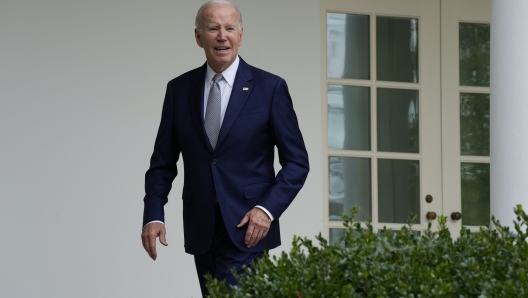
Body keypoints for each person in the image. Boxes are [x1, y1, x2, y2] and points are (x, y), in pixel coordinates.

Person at [140, 0, 309, 295]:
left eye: (229, 28)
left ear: (240, 35)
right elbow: (162, 163)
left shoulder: (270, 88)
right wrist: (154, 215)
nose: (222, 36)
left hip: (249, 227)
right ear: (198, 37)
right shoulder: (179, 90)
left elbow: (297, 163)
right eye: (213, 28)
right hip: (201, 226)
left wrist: (266, 210)